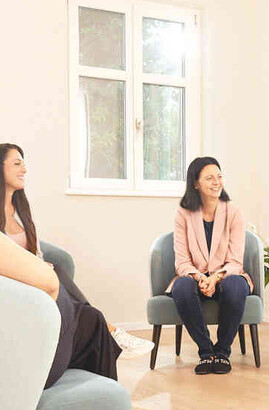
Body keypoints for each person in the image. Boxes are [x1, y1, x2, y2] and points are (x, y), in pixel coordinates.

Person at [0, 232, 165, 410]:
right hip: (17, 369)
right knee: (78, 305)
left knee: (90, 319)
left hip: (12, 352)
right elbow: (49, 284)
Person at [1, 144, 154, 359]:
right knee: (61, 276)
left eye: (23, 164)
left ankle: (109, 335)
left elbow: (35, 252)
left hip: (36, 279)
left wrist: (41, 266)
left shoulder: (20, 209)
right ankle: (113, 333)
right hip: (13, 283)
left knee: (62, 277)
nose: (24, 170)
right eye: (17, 164)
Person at [168, 156, 254, 375]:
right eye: (209, 178)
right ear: (195, 183)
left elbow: (235, 261)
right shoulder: (183, 214)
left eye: (219, 176)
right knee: (181, 287)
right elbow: (182, 262)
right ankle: (206, 352)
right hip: (196, 277)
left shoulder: (234, 212)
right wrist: (200, 278)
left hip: (227, 276)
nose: (217, 182)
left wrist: (215, 278)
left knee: (236, 285)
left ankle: (222, 352)